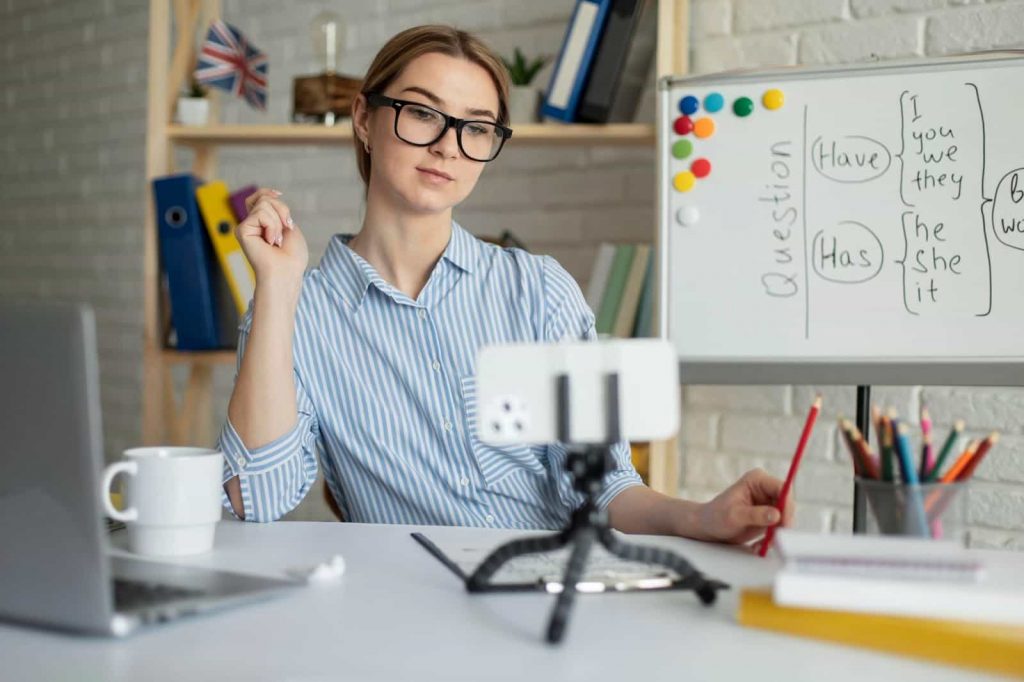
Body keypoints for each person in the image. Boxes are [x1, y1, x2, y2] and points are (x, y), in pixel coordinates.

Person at [219, 24, 794, 546]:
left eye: (476, 127)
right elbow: (255, 498)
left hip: (554, 586)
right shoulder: (295, 312)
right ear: (364, 118)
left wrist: (701, 517)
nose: (448, 145)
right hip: (410, 603)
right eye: (422, 113)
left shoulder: (538, 291)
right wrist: (278, 285)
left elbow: (605, 484)